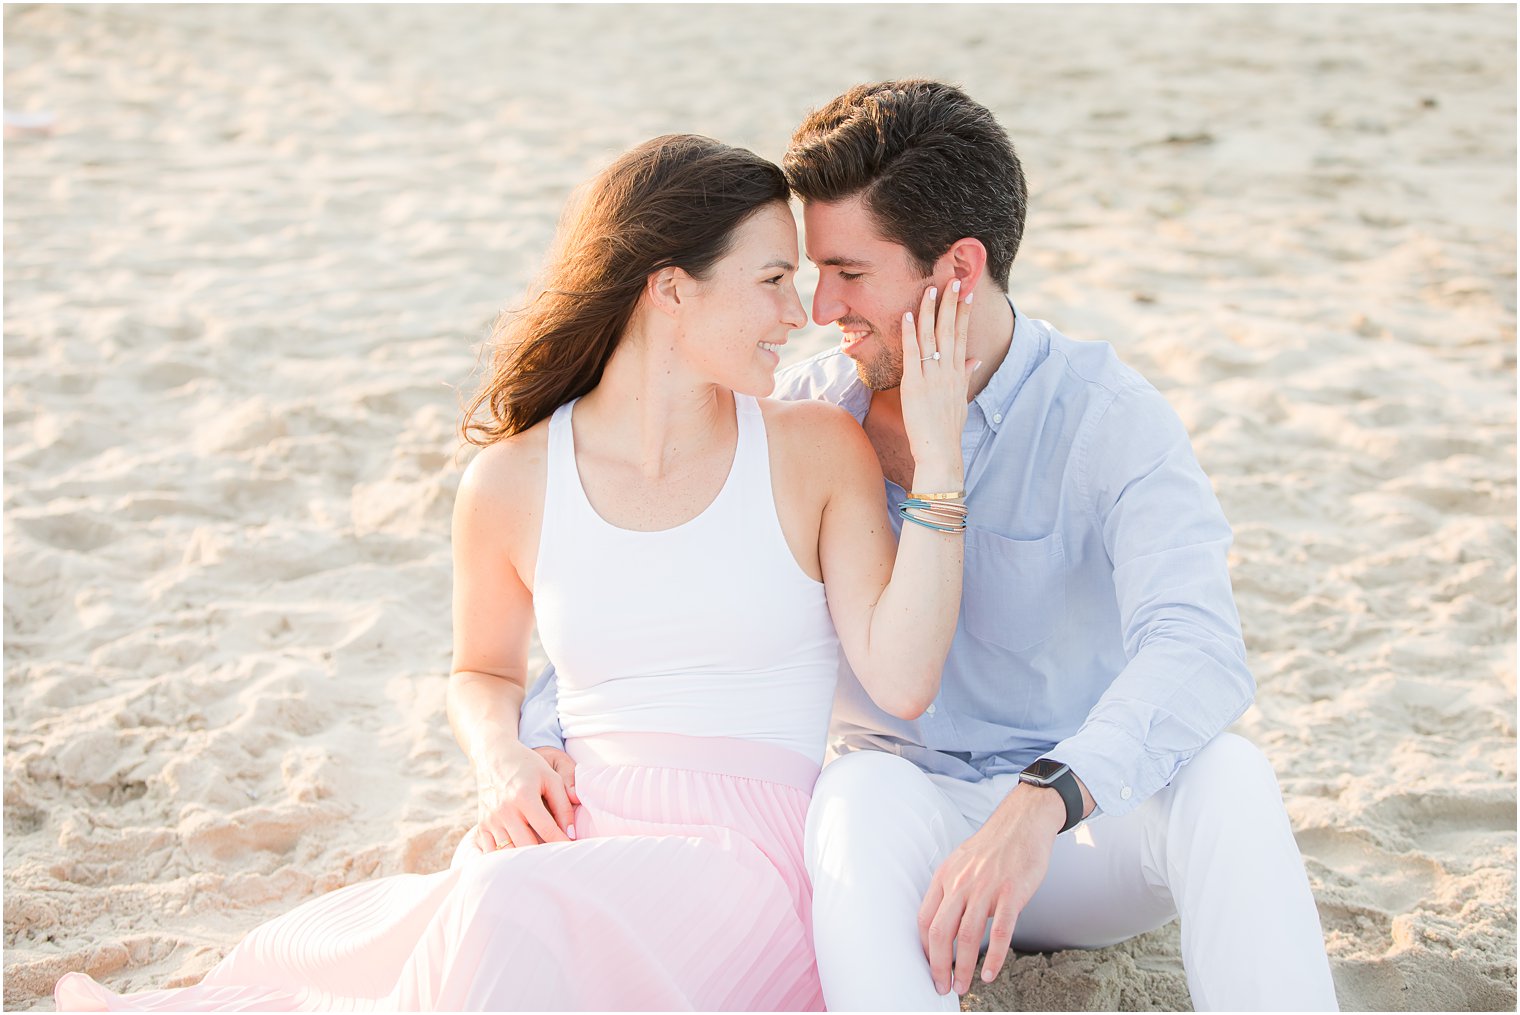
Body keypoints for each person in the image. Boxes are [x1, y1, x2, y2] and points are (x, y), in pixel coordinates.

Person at [53, 134, 977, 1011]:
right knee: (473, 920)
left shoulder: (814, 450)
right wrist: (501, 762)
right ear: (670, 290)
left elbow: (900, 680)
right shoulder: (511, 480)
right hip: (570, 822)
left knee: (501, 917)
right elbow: (481, 672)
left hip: (750, 857)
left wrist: (938, 466)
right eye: (774, 280)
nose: (800, 313)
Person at [519, 81, 1341, 1011]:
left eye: (850, 272)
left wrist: (1041, 802)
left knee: (1230, 775)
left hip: (1079, 831)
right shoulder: (808, 418)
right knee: (855, 799)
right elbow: (664, 601)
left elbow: (1198, 647)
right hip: (905, 820)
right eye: (809, 270)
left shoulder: (1107, 418)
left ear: (956, 268)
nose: (821, 306)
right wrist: (535, 740)